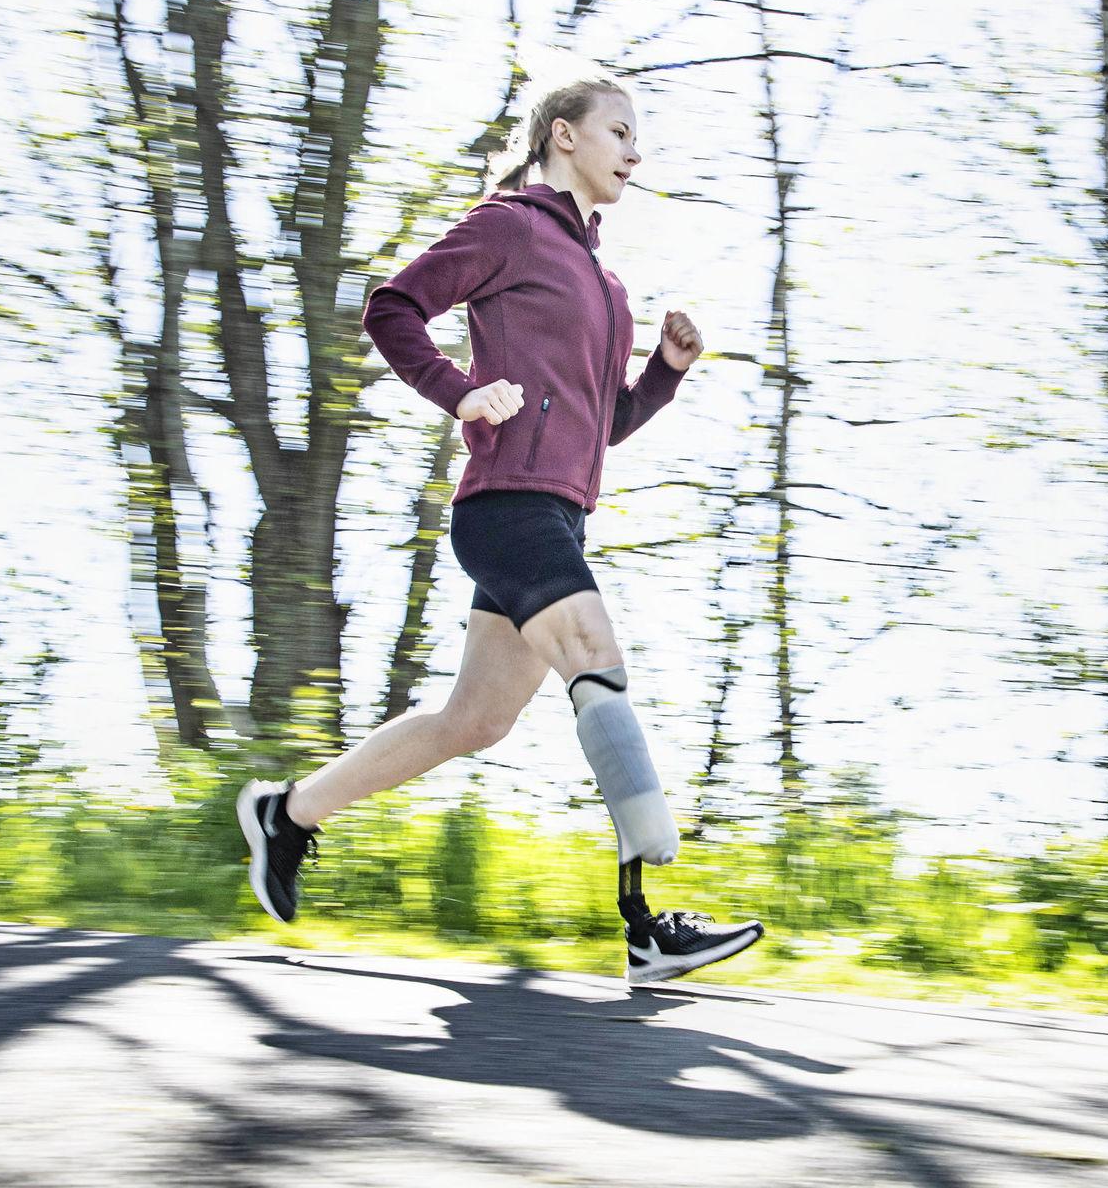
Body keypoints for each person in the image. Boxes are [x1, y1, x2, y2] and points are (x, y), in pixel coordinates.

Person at [235, 72, 762, 988]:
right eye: (620, 133)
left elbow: (599, 426)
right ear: (563, 136)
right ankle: (644, 926)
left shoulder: (606, 284)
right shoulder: (510, 226)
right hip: (504, 511)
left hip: (556, 515)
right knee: (596, 651)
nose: (635, 153)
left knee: (475, 721)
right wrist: (460, 394)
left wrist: (667, 374)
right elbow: (392, 306)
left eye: (639, 138)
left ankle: (289, 813)